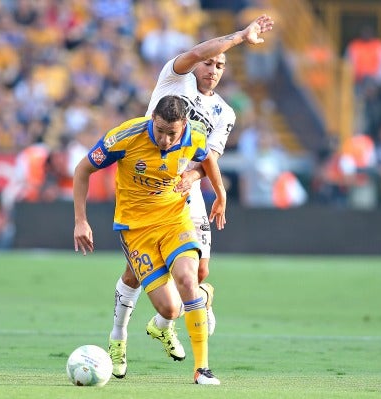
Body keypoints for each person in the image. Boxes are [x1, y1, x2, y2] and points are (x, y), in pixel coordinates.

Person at [105, 13, 274, 379]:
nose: (213, 69)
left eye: (220, 66)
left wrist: (197, 180)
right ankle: (119, 336)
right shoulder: (175, 79)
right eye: (209, 62)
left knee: (198, 272)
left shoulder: (224, 113)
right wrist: (241, 37)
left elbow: (208, 159)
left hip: (186, 194)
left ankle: (164, 325)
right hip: (145, 191)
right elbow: (200, 49)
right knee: (136, 273)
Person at [73, 95, 227, 385]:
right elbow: (83, 170)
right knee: (169, 309)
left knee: (187, 279)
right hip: (136, 229)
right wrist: (81, 220)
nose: (166, 140)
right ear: (152, 119)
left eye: (173, 133)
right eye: (160, 131)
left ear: (183, 127)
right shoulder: (125, 136)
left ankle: (202, 369)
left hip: (174, 219)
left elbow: (206, 158)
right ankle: (197, 300)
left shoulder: (194, 133)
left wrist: (216, 190)